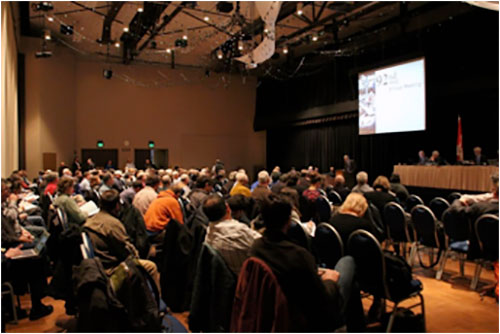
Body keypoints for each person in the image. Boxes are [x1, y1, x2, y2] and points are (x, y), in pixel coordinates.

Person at [250, 194, 365, 332]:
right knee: (348, 262)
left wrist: (314, 272)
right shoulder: (298, 255)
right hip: (311, 317)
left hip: (277, 309)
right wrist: (330, 281)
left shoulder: (256, 247)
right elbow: (322, 299)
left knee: (352, 284)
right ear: (288, 221)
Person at [83, 190, 160, 291]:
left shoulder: (89, 220)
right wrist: (137, 256)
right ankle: (153, 305)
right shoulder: (113, 224)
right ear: (117, 206)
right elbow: (126, 251)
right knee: (151, 266)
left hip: (98, 265)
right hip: (112, 268)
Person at [202, 195, 261, 276]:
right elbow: (264, 245)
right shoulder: (238, 230)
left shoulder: (208, 233)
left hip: (227, 279)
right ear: (228, 208)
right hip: (248, 277)